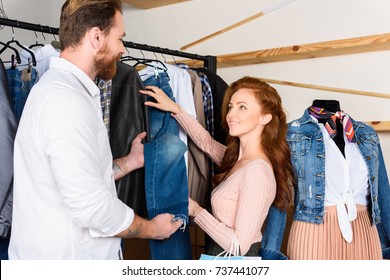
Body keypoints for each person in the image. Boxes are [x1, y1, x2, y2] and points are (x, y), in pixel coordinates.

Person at [8, 0, 181, 260]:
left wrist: (129, 162)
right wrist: (153, 229)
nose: (123, 49)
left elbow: (78, 177)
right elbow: (93, 208)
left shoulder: (64, 92)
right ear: (97, 36)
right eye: (120, 38)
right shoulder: (65, 101)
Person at [140, 76, 293, 256]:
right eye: (231, 107)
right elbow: (206, 143)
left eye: (242, 107)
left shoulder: (257, 172)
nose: (231, 115)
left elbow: (238, 246)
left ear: (264, 118)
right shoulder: (236, 159)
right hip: (216, 254)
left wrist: (196, 210)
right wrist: (176, 109)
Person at [262, 99, 390, 259]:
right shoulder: (291, 133)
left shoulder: (366, 133)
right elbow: (281, 196)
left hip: (365, 232)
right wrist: (270, 252)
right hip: (313, 232)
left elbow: (383, 193)